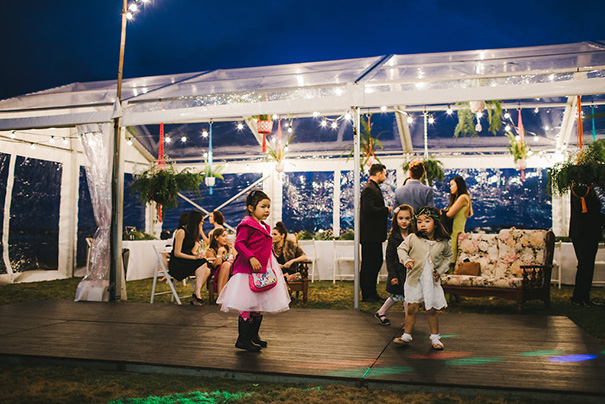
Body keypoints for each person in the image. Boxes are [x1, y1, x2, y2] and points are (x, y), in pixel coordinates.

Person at [217, 189, 291, 352]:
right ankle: (243, 339)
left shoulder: (264, 226)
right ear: (251, 208)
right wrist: (251, 257)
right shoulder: (246, 225)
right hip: (247, 270)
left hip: (261, 269)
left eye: (268, 207)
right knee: (248, 304)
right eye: (263, 206)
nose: (267, 210)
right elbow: (239, 243)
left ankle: (253, 335)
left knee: (257, 303)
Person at [395, 206, 452, 350]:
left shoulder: (443, 242)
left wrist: (440, 270)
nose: (423, 225)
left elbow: (448, 257)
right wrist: (406, 260)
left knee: (431, 309)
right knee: (412, 308)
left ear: (436, 223)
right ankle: (406, 336)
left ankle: (435, 338)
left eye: (427, 221)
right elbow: (401, 249)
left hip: (431, 281)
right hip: (415, 280)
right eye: (419, 222)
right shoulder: (413, 238)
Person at [374, 204, 414, 326]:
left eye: (407, 218)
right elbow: (390, 258)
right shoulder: (393, 238)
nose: (404, 221)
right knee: (401, 296)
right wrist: (392, 275)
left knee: (403, 296)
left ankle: (381, 312)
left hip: (410, 272)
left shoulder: (414, 236)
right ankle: (407, 323)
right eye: (401, 218)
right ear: (395, 219)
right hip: (398, 272)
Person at [360, 163, 392, 302]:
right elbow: (368, 209)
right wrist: (386, 210)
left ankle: (372, 293)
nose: (385, 176)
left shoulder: (373, 187)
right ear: (378, 173)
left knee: (376, 262)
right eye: (384, 174)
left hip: (374, 235)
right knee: (369, 264)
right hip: (370, 235)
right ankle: (367, 294)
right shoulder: (369, 188)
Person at [569, 185, 605, 307]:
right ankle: (579, 297)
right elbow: (591, 214)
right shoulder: (582, 189)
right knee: (585, 266)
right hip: (584, 234)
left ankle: (583, 297)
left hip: (586, 234)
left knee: (587, 266)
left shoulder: (588, 190)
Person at [168, 210, 212, 306]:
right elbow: (177, 253)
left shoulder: (193, 233)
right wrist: (194, 258)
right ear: (196, 222)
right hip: (178, 263)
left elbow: (192, 251)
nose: (202, 223)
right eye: (201, 221)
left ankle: (196, 294)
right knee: (203, 263)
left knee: (207, 270)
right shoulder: (181, 232)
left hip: (188, 260)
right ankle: (197, 294)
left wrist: (197, 255)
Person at [441, 176, 473, 263]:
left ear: (458, 185)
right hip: (456, 234)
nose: (450, 187)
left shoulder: (463, 198)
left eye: (452, 185)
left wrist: (441, 213)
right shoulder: (465, 197)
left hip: (454, 235)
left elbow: (449, 214)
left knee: (449, 263)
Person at [205, 227, 236, 296]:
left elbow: (236, 259)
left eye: (226, 236)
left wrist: (233, 249)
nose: (226, 238)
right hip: (217, 273)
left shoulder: (229, 249)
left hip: (231, 271)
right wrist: (219, 253)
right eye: (223, 236)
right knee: (226, 264)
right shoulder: (210, 251)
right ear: (216, 237)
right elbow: (215, 266)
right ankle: (221, 295)